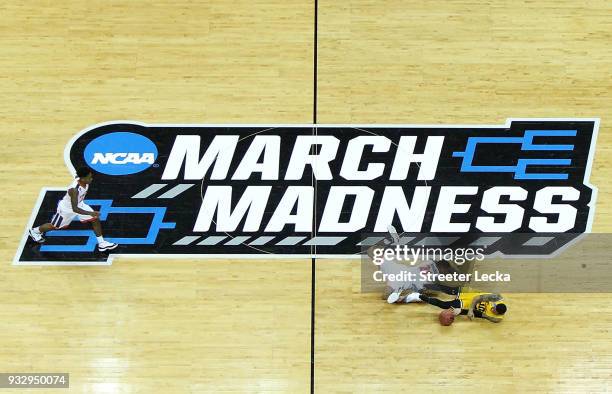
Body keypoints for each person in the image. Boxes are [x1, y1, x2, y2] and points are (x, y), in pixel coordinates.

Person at [28, 166, 118, 252]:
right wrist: (91, 213)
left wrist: (92, 214)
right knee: (54, 226)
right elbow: (75, 209)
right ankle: (35, 231)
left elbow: (77, 174)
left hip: (79, 204)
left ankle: (102, 243)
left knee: (95, 220)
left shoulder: (82, 180)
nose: (91, 179)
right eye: (89, 178)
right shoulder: (74, 190)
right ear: (82, 179)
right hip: (67, 209)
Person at [404, 284, 507, 323]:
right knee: (448, 290)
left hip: (465, 303)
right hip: (470, 294)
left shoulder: (496, 318)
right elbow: (477, 298)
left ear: (498, 313)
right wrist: (471, 310)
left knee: (444, 305)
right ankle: (423, 284)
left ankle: (419, 296)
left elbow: (480, 314)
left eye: (494, 311)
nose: (492, 310)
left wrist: (461, 312)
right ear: (496, 305)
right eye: (493, 308)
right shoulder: (497, 298)